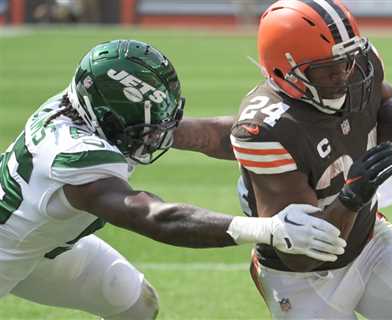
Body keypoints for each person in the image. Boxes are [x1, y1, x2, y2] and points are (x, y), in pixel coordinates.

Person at [0, 39, 349, 319]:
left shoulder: (89, 106)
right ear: (107, 119)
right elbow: (151, 216)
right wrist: (267, 229)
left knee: (134, 303)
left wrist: (298, 135)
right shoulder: (76, 154)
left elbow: (208, 135)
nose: (154, 138)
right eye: (144, 132)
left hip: (44, 246)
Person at [223, 0, 392, 319]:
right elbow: (302, 255)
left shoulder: (358, 70)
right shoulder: (264, 129)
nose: (343, 74)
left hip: (370, 243)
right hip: (302, 279)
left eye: (347, 60)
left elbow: (387, 99)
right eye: (326, 67)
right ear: (283, 69)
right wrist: (351, 198)